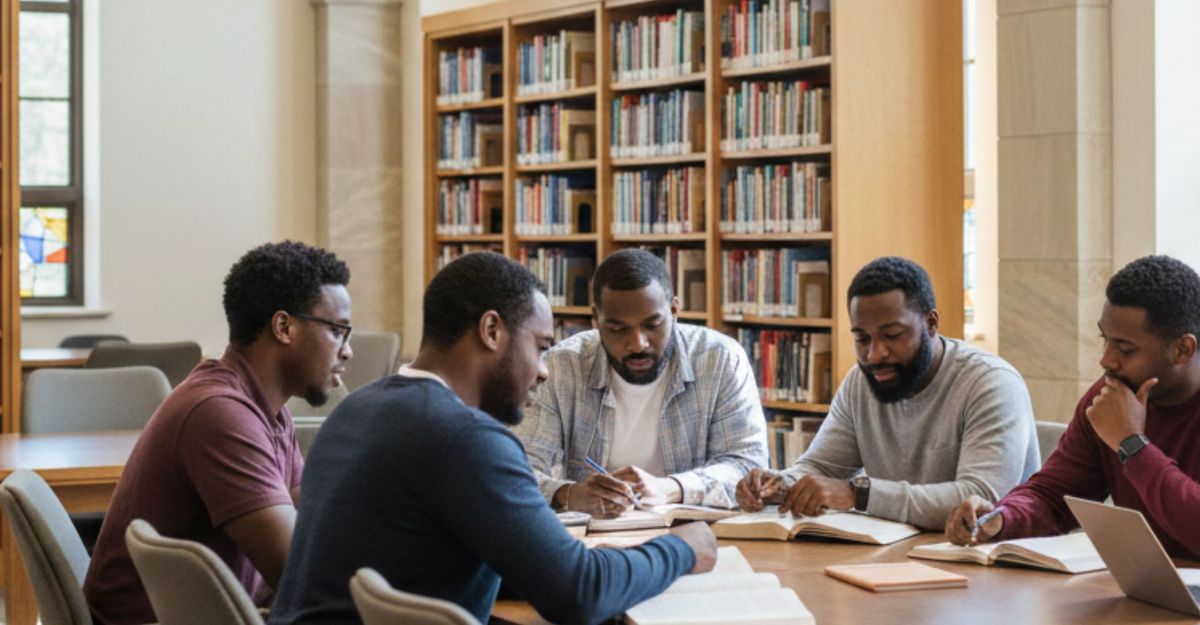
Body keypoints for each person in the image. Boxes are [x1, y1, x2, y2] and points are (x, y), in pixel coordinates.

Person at [268, 252, 716, 625]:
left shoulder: (358, 410)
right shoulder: (464, 438)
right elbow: (580, 594)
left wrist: (552, 558)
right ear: (491, 331)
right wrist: (681, 547)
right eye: (540, 347)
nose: (543, 371)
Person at [83, 241, 353, 625]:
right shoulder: (220, 413)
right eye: (338, 331)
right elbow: (297, 571)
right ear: (283, 327)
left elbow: (311, 515)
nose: (347, 351)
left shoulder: (265, 408)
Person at [736, 256, 1039, 530]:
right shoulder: (861, 382)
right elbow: (821, 467)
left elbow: (980, 499)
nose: (874, 354)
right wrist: (778, 485)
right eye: (862, 338)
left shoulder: (991, 384)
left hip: (984, 566)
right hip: (899, 556)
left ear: (931, 323)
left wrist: (859, 494)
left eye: (892, 336)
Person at [947, 255, 1200, 559]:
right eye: (1105, 340)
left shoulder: (1118, 415)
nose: (1106, 360)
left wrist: (1132, 445)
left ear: (1183, 350)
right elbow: (1053, 495)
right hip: (1156, 592)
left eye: (1125, 348)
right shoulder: (1108, 399)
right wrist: (1000, 518)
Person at [514, 249, 767, 517]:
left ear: (674, 310)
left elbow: (747, 465)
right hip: (596, 540)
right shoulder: (561, 368)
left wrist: (672, 488)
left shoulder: (721, 359)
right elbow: (518, 470)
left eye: (652, 325)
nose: (638, 343)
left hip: (698, 534)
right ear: (595, 320)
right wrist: (570, 494)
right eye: (618, 329)